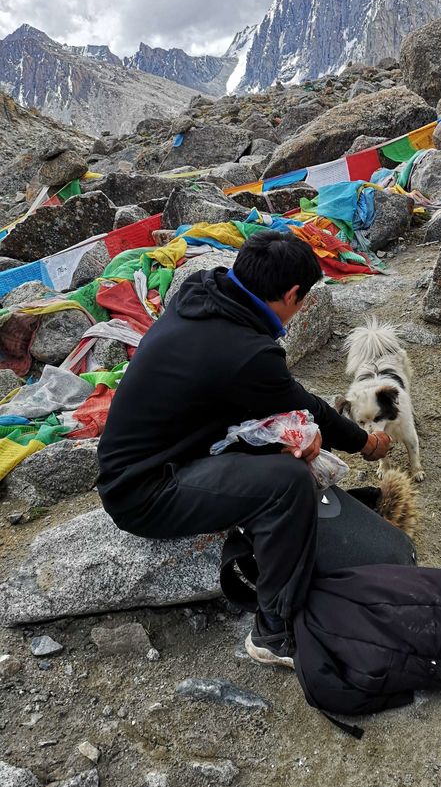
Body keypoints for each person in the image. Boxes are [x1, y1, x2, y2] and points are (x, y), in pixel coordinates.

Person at [97, 231, 391, 667]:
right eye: (303, 300)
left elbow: (253, 402)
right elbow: (304, 404)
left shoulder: (203, 294)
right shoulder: (244, 352)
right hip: (144, 492)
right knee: (288, 482)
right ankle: (273, 631)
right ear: (291, 294)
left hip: (167, 455)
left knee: (287, 448)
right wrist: (366, 442)